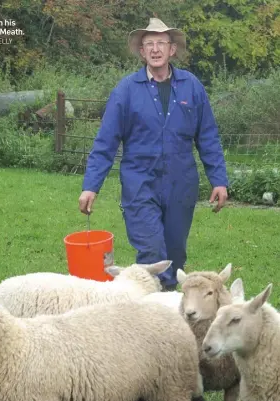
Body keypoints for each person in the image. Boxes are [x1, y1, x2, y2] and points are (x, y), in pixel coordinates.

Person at [78, 18, 228, 291]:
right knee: (152, 254)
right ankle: (152, 318)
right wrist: (91, 186)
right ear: (142, 52)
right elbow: (105, 142)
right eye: (149, 44)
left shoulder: (191, 87)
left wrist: (219, 180)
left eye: (161, 43)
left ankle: (168, 312)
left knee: (175, 255)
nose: (155, 49)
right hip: (140, 186)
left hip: (181, 185)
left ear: (172, 50)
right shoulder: (126, 91)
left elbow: (208, 137)